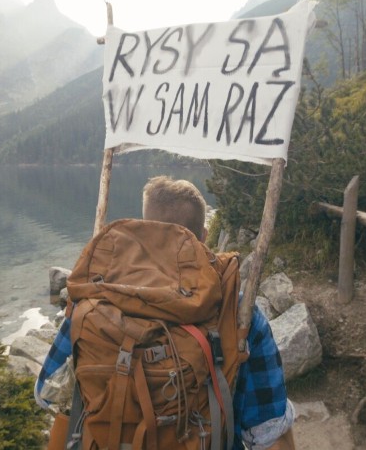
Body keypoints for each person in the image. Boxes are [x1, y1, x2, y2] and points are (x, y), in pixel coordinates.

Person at [36, 175, 296, 450]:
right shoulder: (238, 312)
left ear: (144, 232)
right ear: (204, 237)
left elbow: (45, 393)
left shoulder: (96, 296)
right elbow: (270, 435)